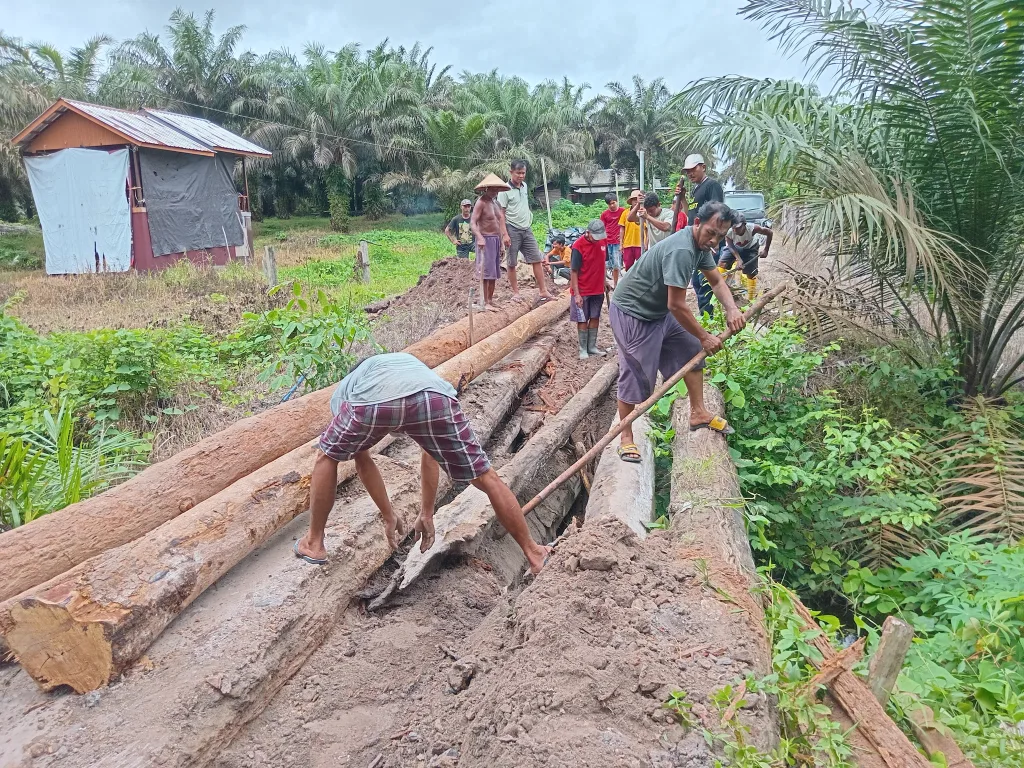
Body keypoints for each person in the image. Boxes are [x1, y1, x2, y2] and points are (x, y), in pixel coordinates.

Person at [294, 353, 551, 574]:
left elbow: (362, 461)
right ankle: (534, 552)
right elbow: (431, 452)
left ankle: (314, 543)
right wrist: (425, 513)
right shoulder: (405, 365)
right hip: (434, 397)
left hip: (373, 405)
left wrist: (388, 515)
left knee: (326, 456)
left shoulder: (350, 389)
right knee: (487, 477)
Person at [608, 201, 746, 464]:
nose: (714, 241)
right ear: (697, 224)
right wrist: (706, 335)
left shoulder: (701, 246)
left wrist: (731, 309)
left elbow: (716, 280)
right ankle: (625, 436)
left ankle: (698, 413)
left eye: (720, 236)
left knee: (691, 349)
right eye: (710, 233)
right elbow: (676, 304)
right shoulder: (682, 249)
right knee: (636, 374)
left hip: (658, 311)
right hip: (632, 312)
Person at [497, 160, 554, 302]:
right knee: (512, 263)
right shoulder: (504, 190)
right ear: (511, 172)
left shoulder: (524, 186)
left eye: (523, 173)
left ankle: (543, 290)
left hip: (526, 228)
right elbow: (501, 214)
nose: (521, 176)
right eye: (518, 173)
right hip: (512, 229)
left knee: (537, 259)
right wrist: (504, 234)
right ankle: (516, 293)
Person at [683, 154, 725, 318]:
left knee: (706, 282)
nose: (690, 174)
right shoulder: (695, 190)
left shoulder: (711, 185)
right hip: (696, 243)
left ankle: (711, 319)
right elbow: (689, 214)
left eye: (693, 169)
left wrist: (714, 241)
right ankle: (705, 318)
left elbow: (717, 213)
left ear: (703, 167)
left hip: (707, 243)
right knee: (698, 283)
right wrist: (682, 197)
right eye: (688, 172)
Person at [471, 173, 511, 310]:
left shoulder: (496, 203)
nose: (494, 192)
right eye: (492, 189)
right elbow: (473, 222)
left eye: (496, 190)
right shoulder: (481, 202)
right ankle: (485, 302)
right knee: (485, 272)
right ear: (486, 188)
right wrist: (479, 237)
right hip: (485, 240)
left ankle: (490, 300)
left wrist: (502, 240)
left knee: (493, 272)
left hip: (495, 239)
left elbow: (500, 222)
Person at [570, 219, 609, 360]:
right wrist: (577, 294)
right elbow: (573, 271)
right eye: (595, 236)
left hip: (597, 288)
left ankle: (591, 347)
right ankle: (582, 348)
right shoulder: (578, 246)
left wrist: (604, 281)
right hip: (583, 289)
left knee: (595, 316)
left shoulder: (603, 242)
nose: (597, 239)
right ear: (588, 232)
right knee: (582, 319)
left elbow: (603, 263)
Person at [720, 214, 773, 302]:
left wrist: (766, 250)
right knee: (722, 264)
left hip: (751, 248)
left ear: (744, 225)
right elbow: (730, 246)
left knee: (751, 273)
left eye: (737, 228)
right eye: (733, 227)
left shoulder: (753, 228)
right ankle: (720, 290)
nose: (735, 230)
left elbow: (770, 232)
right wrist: (739, 259)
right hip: (735, 247)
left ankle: (750, 299)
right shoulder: (729, 231)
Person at [600, 193, 624, 287]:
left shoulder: (623, 211)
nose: (612, 205)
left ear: (617, 201)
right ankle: (605, 283)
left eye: (613, 203)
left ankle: (615, 284)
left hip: (617, 242)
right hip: (607, 241)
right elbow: (601, 228)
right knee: (604, 264)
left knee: (616, 265)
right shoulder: (604, 214)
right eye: (610, 204)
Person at [618, 189, 644, 271]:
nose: (636, 201)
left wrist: (646, 243)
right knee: (628, 267)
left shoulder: (644, 212)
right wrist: (621, 244)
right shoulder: (625, 213)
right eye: (634, 200)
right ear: (631, 201)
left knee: (641, 267)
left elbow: (647, 229)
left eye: (637, 199)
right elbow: (622, 229)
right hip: (628, 243)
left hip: (640, 244)